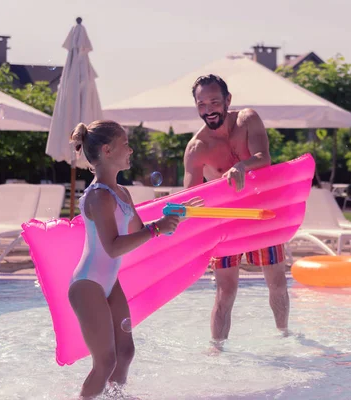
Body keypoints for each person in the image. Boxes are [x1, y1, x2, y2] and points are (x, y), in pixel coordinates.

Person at [68, 120, 201, 398]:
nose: (131, 150)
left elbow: (139, 233)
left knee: (125, 352)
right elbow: (114, 247)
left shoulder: (121, 193)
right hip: (87, 285)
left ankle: (114, 398)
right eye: (125, 144)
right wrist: (156, 229)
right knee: (105, 362)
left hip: (108, 282)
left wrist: (175, 214)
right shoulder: (98, 197)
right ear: (107, 150)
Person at [183, 74, 289, 344]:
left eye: (214, 102)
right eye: (202, 104)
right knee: (225, 291)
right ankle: (217, 351)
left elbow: (264, 158)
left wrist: (241, 165)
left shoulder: (248, 120)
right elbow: (192, 198)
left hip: (261, 211)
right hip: (226, 221)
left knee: (276, 282)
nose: (208, 110)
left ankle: (284, 337)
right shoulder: (197, 149)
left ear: (228, 100)